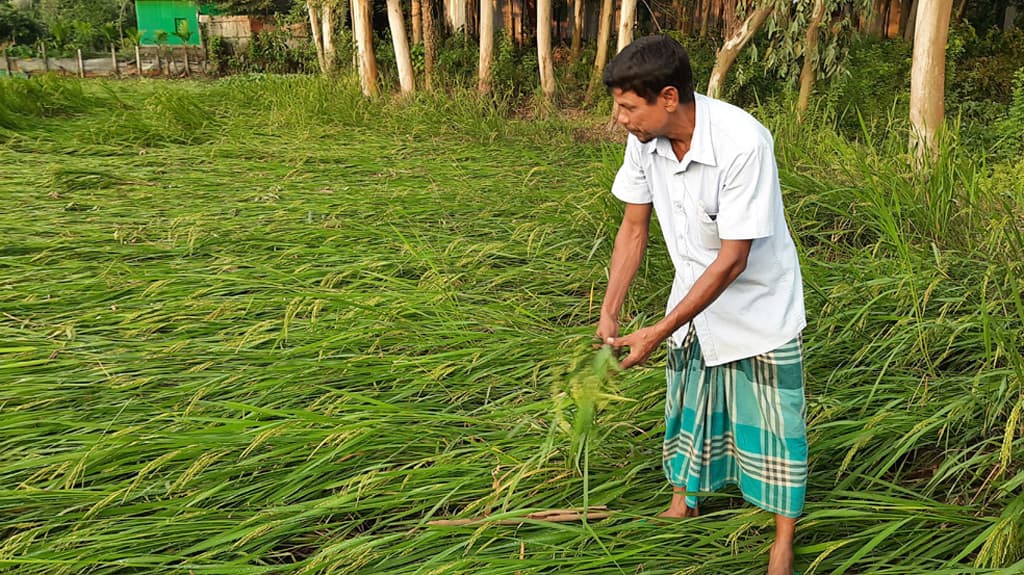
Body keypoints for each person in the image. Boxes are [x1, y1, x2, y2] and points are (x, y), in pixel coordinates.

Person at [595, 35, 808, 575]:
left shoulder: (742, 143)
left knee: (775, 421)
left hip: (759, 307)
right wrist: (610, 311)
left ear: (669, 97)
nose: (620, 119)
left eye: (627, 106)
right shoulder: (645, 140)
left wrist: (658, 330)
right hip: (692, 296)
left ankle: (782, 540)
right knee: (689, 404)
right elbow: (633, 225)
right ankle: (683, 500)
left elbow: (734, 260)